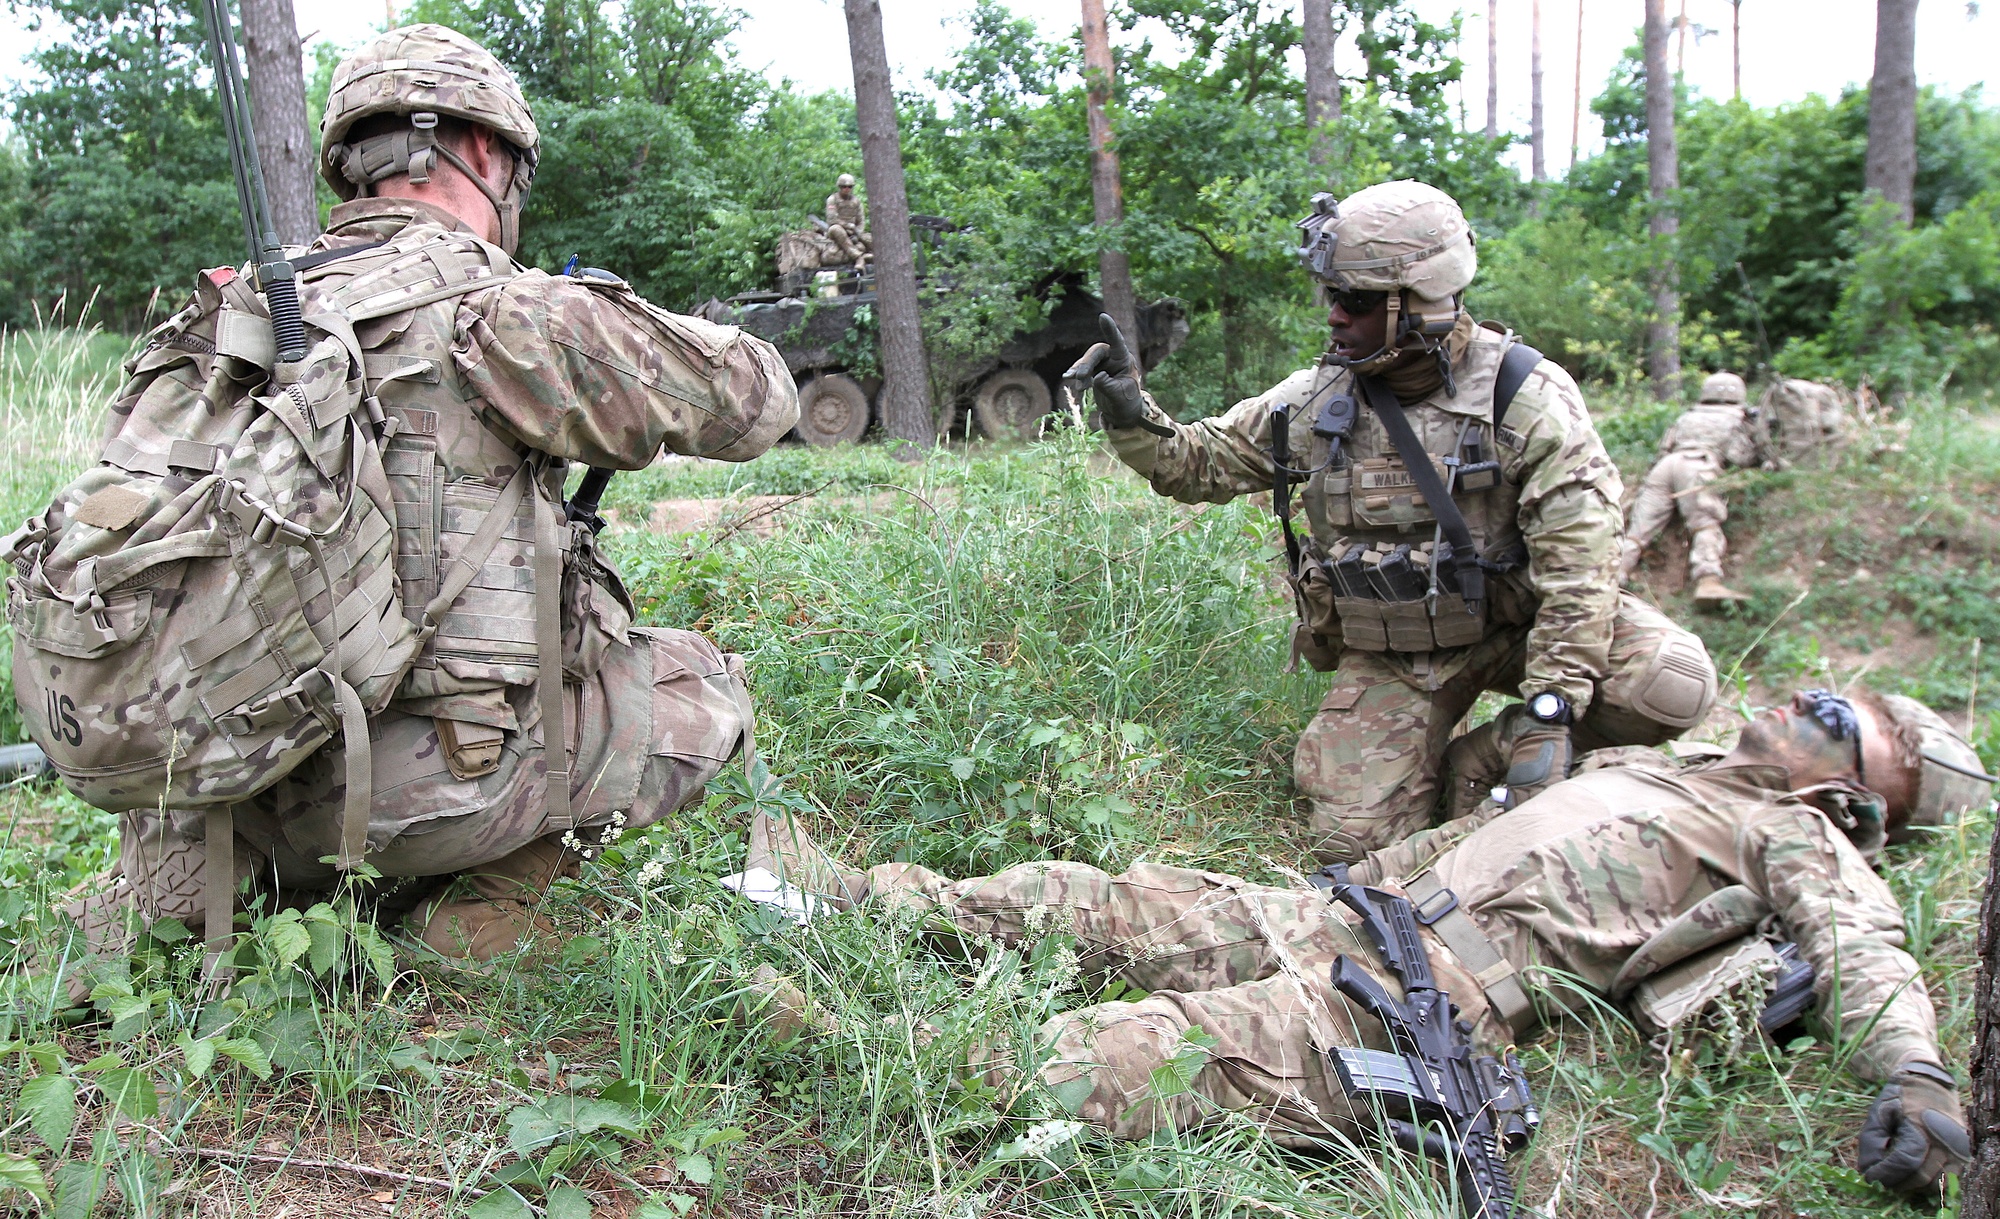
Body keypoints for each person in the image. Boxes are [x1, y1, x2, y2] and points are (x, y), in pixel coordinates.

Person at [45, 24, 799, 967]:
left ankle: (206, 883)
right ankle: (478, 908)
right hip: (414, 795)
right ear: (484, 150)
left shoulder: (225, 320)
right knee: (705, 685)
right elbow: (757, 402)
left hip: (214, 778)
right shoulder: (504, 310)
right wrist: (619, 319)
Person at [748, 687, 1992, 1203]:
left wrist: (1918, 1073)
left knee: (1155, 1055)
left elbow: (1865, 948)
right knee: (1106, 900)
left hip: (1428, 995)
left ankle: (868, 1055)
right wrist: (1344, 884)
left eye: (1837, 722)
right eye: (1823, 692)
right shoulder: (1666, 766)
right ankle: (849, 897)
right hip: (1359, 914)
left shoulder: (1796, 840)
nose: (1797, 703)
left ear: (1855, 803)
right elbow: (1476, 834)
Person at [1068, 180, 1719, 863]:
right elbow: (1197, 464)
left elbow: (1581, 570)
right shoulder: (1318, 398)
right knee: (1350, 840)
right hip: (1401, 652)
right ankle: (1441, 762)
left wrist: (1548, 711)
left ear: (1420, 301)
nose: (1335, 319)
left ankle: (1490, 750)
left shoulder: (1523, 398)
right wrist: (1127, 408)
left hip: (1517, 629)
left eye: (1355, 301)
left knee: (1672, 681)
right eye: (1333, 298)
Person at [1618, 371, 1775, 609]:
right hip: (1698, 466)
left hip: (1665, 467)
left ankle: (1614, 575)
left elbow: (1664, 448)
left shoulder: (1688, 417)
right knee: (1704, 523)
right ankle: (1708, 579)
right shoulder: (1738, 419)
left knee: (1638, 532)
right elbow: (1739, 455)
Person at [824, 173, 870, 265]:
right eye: (844, 187)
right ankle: (858, 256)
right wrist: (848, 226)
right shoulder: (832, 199)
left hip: (853, 232)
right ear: (840, 187)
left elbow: (861, 220)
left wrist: (858, 233)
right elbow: (832, 219)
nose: (847, 189)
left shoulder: (856, 201)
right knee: (836, 229)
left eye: (849, 187)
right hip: (837, 230)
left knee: (870, 239)